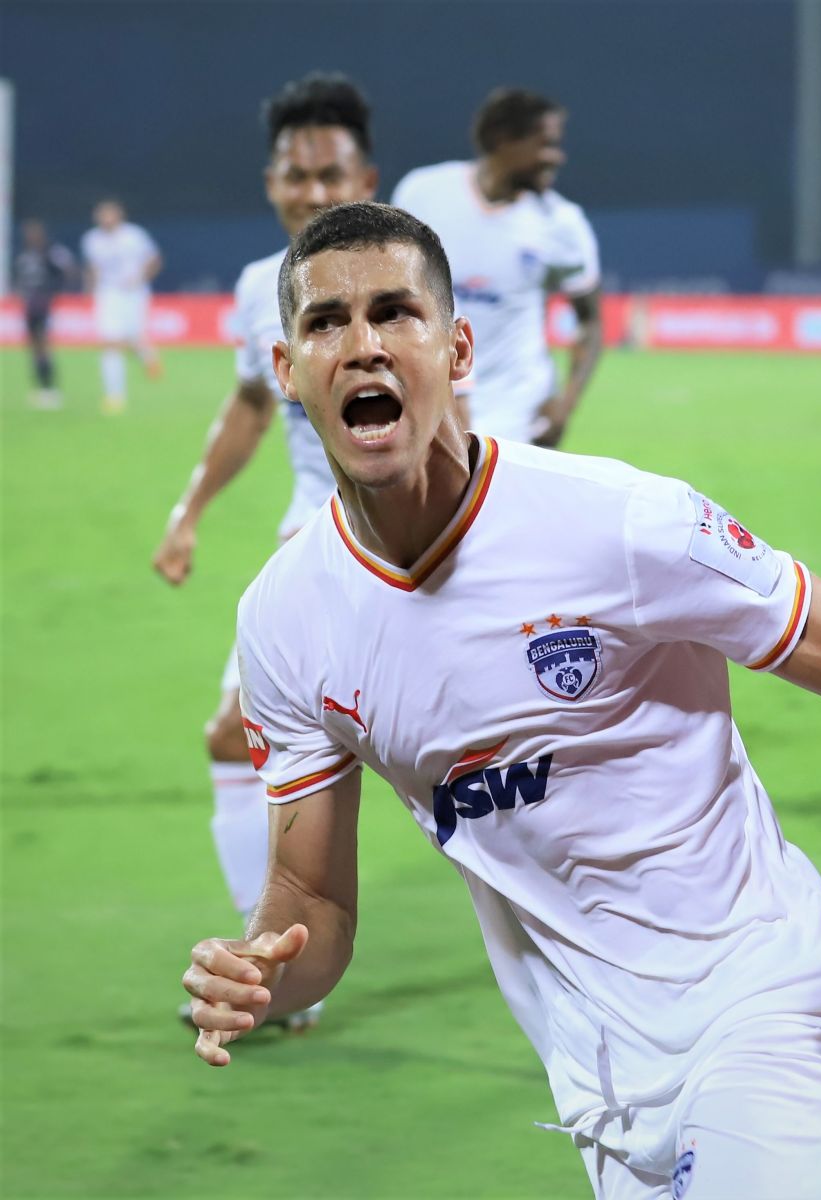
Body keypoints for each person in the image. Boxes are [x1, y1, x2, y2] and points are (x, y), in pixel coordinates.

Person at [183, 204, 821, 1200]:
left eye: (394, 313)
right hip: (604, 1092)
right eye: (325, 324)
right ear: (286, 373)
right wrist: (263, 975)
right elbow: (312, 909)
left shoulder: (619, 525)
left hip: (773, 1011)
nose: (360, 346)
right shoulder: (284, 618)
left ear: (456, 351)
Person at [154, 75, 378, 1029]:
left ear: (364, 175)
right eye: (295, 173)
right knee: (236, 740)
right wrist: (189, 508)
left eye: (330, 172)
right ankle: (275, 973)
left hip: (394, 552)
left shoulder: (403, 269)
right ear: (272, 182)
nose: (312, 189)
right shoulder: (261, 286)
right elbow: (252, 402)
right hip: (308, 557)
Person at [391, 87, 602, 448]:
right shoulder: (421, 193)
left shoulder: (562, 224)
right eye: (545, 144)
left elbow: (590, 320)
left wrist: (564, 406)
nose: (557, 157)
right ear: (503, 140)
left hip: (520, 410)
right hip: (434, 402)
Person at [80, 199, 162, 414]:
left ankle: (148, 357)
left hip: (134, 294)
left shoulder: (134, 235)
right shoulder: (91, 239)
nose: (106, 219)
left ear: (119, 216)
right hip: (108, 294)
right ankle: (115, 395)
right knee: (111, 342)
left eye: (110, 214)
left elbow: (154, 259)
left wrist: (141, 279)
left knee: (133, 337)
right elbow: (93, 267)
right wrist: (90, 290)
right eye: (102, 215)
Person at [14, 219, 76, 409]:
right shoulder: (24, 256)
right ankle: (41, 388)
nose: (31, 236)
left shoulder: (52, 252)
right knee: (33, 347)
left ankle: (50, 389)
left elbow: (68, 272)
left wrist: (57, 293)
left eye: (34, 232)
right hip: (29, 306)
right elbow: (20, 279)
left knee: (43, 346)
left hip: (45, 305)